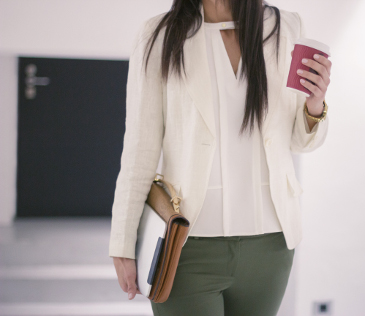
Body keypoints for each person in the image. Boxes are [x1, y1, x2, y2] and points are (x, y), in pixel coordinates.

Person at [109, 0, 331, 315]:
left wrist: (315, 104)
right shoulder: (159, 34)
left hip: (270, 247)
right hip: (186, 246)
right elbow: (139, 150)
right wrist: (123, 242)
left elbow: (299, 142)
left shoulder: (286, 28)